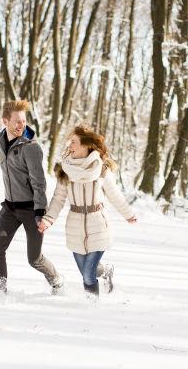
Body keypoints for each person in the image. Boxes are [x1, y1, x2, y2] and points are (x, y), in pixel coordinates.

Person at [38, 124, 137, 297]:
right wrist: (48, 219)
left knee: (88, 275)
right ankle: (106, 270)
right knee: (86, 269)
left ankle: (92, 309)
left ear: (86, 145)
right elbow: (58, 199)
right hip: (75, 227)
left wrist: (129, 214)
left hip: (98, 225)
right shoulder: (65, 171)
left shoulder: (101, 170)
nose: (69, 145)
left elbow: (115, 196)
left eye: (73, 142)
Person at [0, 100, 62, 294]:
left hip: (31, 210)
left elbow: (39, 182)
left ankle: (56, 280)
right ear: (5, 121)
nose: (21, 125)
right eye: (17, 121)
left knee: (34, 259)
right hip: (10, 209)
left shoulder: (31, 147)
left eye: (23, 121)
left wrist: (40, 212)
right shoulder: (0, 139)